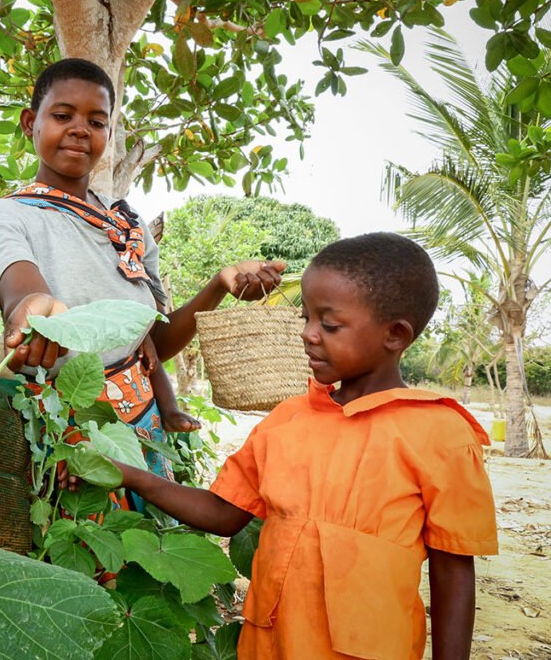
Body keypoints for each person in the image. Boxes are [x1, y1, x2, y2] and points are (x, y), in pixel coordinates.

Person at [63, 232, 498, 659]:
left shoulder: (441, 435)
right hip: (266, 646)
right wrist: (130, 474)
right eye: (305, 317)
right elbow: (223, 513)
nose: (308, 334)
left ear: (396, 335)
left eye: (329, 324)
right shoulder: (288, 419)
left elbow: (453, 571)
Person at [0, 56, 284, 494]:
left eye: (97, 121)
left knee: (147, 549)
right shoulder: (9, 215)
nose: (80, 129)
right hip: (66, 435)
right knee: (80, 550)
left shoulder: (128, 227)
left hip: (143, 428)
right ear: (30, 123)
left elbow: (156, 342)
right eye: (63, 116)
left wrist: (219, 283)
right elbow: (19, 286)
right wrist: (33, 307)